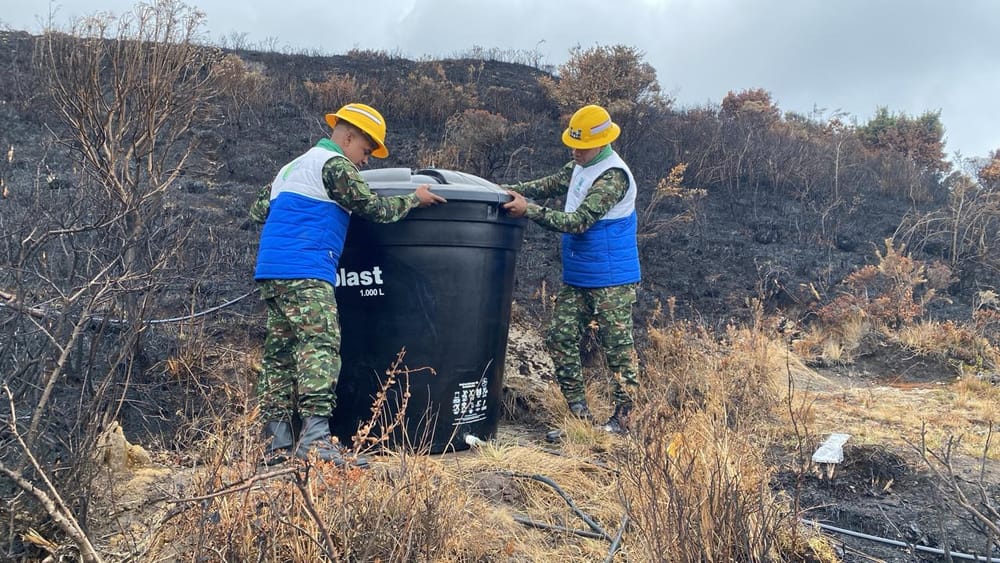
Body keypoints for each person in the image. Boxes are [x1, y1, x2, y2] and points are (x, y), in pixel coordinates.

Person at [251, 102, 446, 466]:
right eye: (366, 150)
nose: (367, 160)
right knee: (319, 346)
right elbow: (375, 209)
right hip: (306, 271)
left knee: (280, 355)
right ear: (349, 135)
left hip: (272, 271)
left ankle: (276, 446)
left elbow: (258, 210)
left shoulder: (290, 168)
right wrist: (414, 199)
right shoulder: (334, 165)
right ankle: (316, 443)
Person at [501, 104, 640, 436]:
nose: (575, 151)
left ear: (603, 142)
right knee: (560, 337)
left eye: (582, 146)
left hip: (611, 279)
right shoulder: (580, 164)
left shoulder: (612, 176)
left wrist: (528, 210)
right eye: (572, 144)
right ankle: (579, 412)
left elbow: (577, 223)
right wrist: (503, 189)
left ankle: (624, 420)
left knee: (617, 349)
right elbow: (549, 183)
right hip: (579, 274)